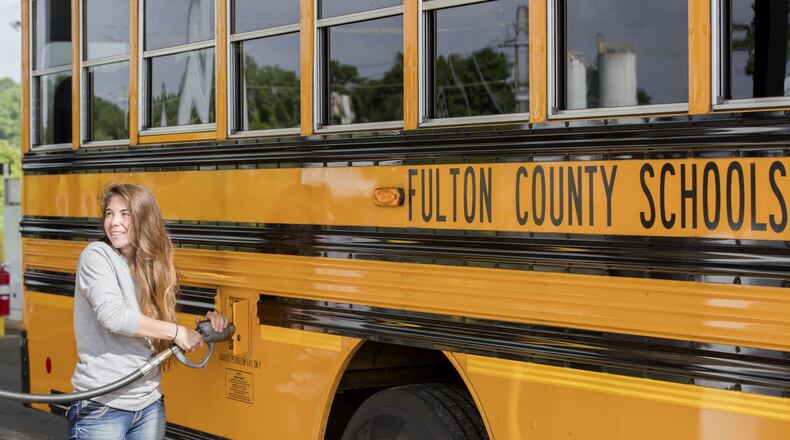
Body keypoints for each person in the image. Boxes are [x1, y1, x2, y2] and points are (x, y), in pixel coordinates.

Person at [67, 183, 228, 439]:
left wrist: (210, 321)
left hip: (148, 403)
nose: (114, 222)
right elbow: (115, 316)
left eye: (124, 214)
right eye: (109, 213)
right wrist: (177, 332)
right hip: (101, 406)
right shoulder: (97, 256)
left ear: (143, 218)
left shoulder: (153, 266)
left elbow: (162, 321)